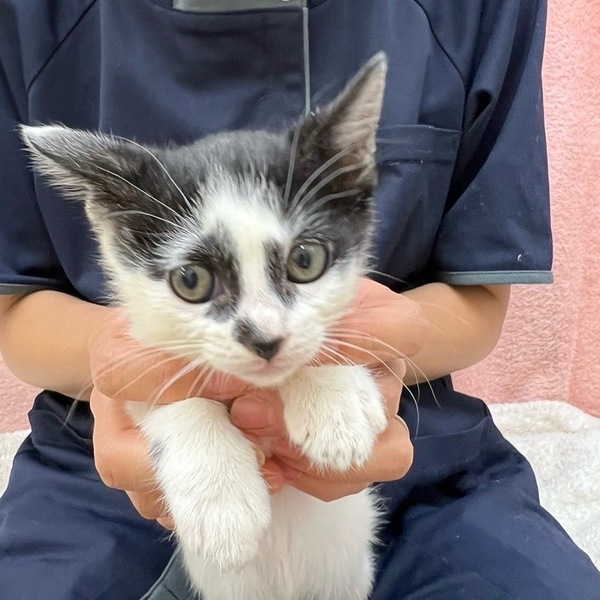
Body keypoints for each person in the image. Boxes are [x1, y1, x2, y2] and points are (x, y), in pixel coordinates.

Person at [0, 1, 598, 599]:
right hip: (100, 464)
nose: (264, 330)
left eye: (302, 263)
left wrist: (349, 355)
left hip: (417, 437)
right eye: (195, 283)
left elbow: (480, 300)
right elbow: (17, 313)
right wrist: (155, 395)